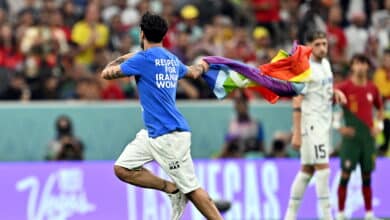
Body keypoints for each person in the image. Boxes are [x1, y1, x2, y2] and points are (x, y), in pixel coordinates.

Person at [100, 12, 222, 220]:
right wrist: (203, 65)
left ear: (141, 34)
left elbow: (106, 73)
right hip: (152, 133)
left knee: (193, 190)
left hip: (169, 136)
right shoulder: (171, 59)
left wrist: (122, 57)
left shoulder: (142, 59)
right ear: (164, 35)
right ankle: (172, 189)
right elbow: (193, 72)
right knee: (122, 168)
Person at [285, 30, 346, 220]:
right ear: (309, 46)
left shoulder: (326, 65)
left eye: (324, 44)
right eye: (317, 44)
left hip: (323, 124)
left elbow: (322, 88)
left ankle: (289, 216)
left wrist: (335, 92)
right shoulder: (306, 69)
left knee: (307, 170)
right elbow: (297, 101)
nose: (322, 48)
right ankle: (327, 217)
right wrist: (296, 133)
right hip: (311, 125)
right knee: (323, 169)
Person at [336, 54, 384, 220]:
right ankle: (341, 213)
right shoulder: (343, 87)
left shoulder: (373, 88)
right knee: (345, 175)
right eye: (357, 63)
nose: (361, 67)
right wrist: (339, 127)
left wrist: (380, 126)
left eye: (364, 63)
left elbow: (380, 109)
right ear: (352, 66)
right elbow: (327, 108)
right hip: (351, 140)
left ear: (368, 67)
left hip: (367, 139)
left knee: (367, 175)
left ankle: (369, 214)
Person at [219, 90, 265, 158]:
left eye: (241, 102)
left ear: (246, 104)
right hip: (236, 160)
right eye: (237, 103)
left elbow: (262, 147)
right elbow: (225, 148)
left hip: (251, 160)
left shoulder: (256, 123)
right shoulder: (231, 124)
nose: (239, 106)